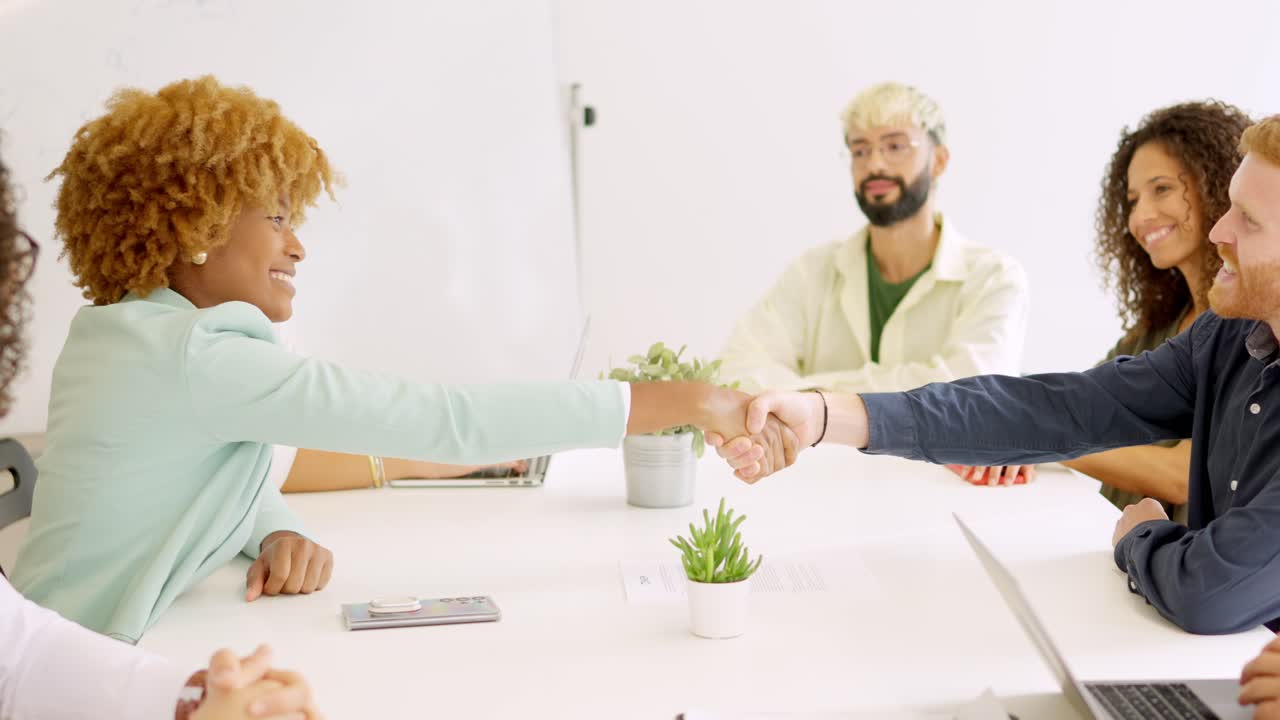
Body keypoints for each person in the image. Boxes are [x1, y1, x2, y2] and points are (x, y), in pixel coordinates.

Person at [10, 76, 789, 643]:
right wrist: (689, 400)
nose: (297, 243)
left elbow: (179, 468)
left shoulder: (127, 335)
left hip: (50, 643)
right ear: (197, 228)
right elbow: (441, 423)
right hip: (69, 677)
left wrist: (272, 527)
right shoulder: (196, 355)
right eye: (276, 217)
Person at [713, 114, 1280, 636]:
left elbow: (1209, 590)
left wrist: (1139, 538)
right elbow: (1059, 406)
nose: (1217, 232)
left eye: (1247, 221)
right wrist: (825, 414)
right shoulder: (1229, 339)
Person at [0, 146, 317, 719]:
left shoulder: (179, 340)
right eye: (275, 218)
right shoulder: (178, 350)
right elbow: (426, 417)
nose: (297, 246)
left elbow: (20, 651)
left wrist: (195, 700)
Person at [716, 81, 1033, 486]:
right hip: (820, 489)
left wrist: (813, 406)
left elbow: (970, 401)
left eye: (896, 145)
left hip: (940, 495)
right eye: (860, 149)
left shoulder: (994, 278)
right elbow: (738, 371)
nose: (875, 165)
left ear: (938, 160)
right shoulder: (813, 271)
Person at [947, 102, 1252, 509]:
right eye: (1131, 200)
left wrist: (1038, 438)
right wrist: (1014, 436)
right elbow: (1074, 411)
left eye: (1161, 189)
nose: (1140, 216)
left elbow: (1183, 476)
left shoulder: (1250, 331)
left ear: (1219, 186)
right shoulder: (1154, 331)